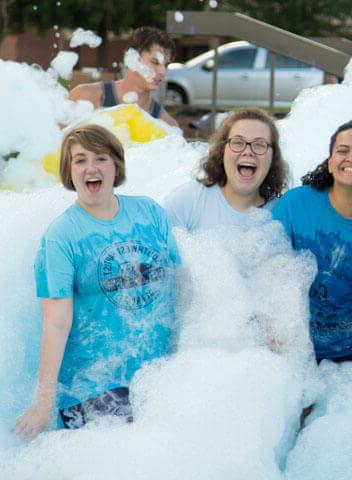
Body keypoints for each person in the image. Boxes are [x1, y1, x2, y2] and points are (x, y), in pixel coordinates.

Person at [14, 125, 180, 438]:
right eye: (79, 160)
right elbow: (56, 322)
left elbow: (181, 282)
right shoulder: (62, 236)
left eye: (100, 158)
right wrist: (43, 403)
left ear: (116, 165)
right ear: (69, 171)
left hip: (157, 375)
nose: (91, 168)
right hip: (93, 387)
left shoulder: (149, 212)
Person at [272, 120, 352, 368]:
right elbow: (264, 278)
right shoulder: (295, 204)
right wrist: (280, 351)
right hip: (295, 352)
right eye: (342, 150)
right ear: (330, 162)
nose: (351, 158)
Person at [163, 108, 287, 232]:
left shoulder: (284, 216)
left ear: (273, 156)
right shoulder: (187, 202)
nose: (248, 152)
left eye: (259, 144)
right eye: (238, 142)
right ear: (222, 151)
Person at [69, 26, 178, 127]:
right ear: (132, 59)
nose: (162, 71)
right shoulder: (85, 97)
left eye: (166, 65)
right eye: (155, 62)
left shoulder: (167, 124)